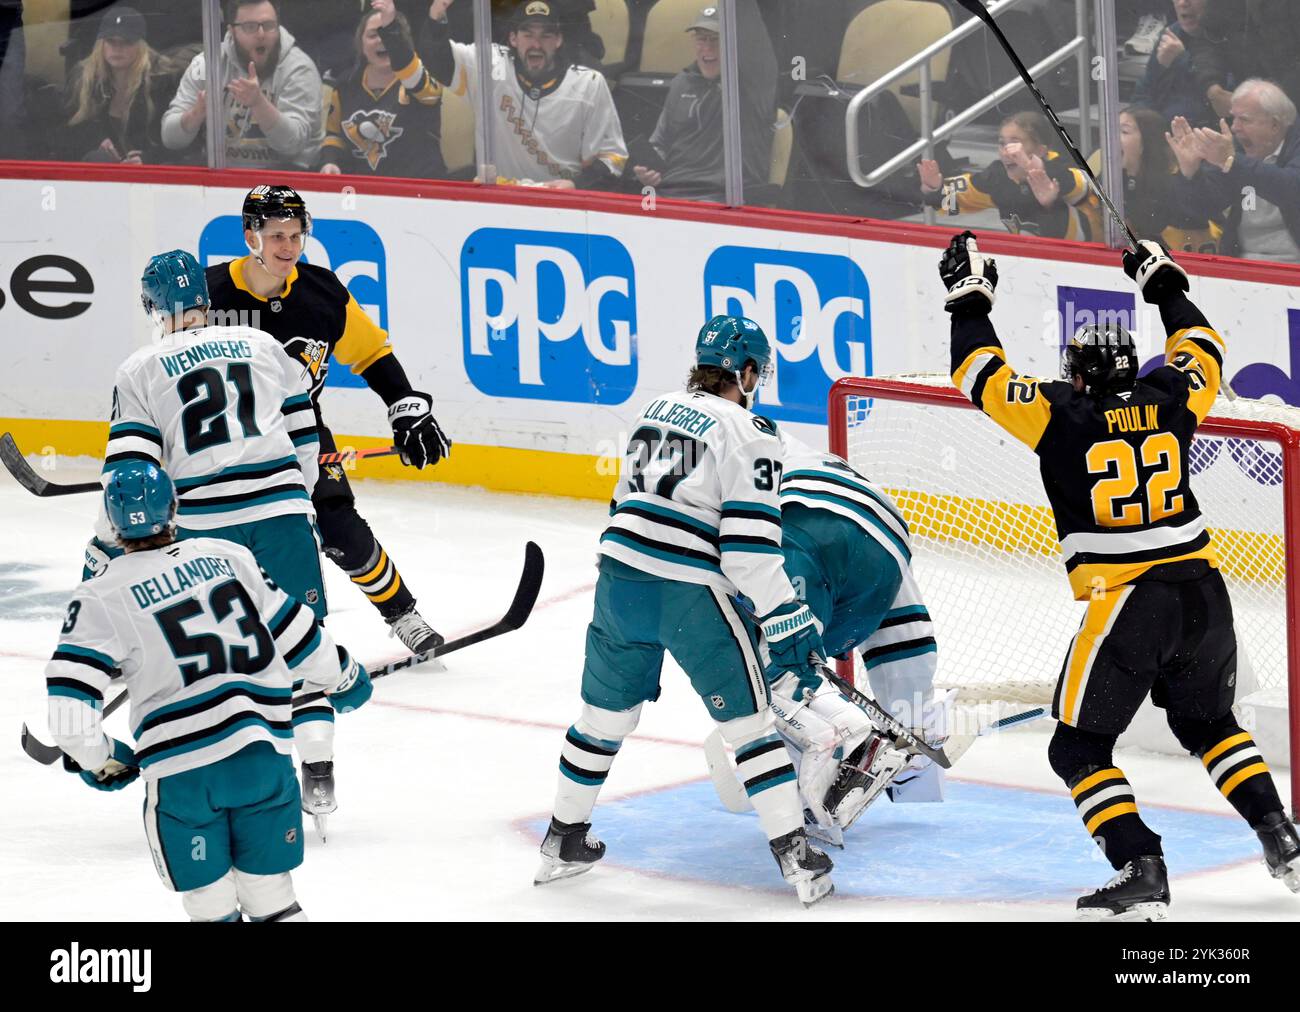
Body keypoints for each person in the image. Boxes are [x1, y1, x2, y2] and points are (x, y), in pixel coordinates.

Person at [938, 229, 1300, 919]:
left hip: (1129, 605)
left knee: (1076, 748)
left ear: (1077, 374)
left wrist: (970, 296)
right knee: (1212, 726)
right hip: (1206, 595)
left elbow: (977, 371)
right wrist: (1162, 284)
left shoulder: (1060, 415)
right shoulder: (1169, 398)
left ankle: (1141, 864)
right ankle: (1281, 837)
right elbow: (1206, 348)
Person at [536, 315, 834, 906]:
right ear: (746, 372)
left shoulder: (656, 407)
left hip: (618, 580)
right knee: (750, 728)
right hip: (688, 592)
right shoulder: (752, 430)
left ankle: (561, 839)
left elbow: (624, 503)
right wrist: (787, 613)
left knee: (602, 720)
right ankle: (799, 860)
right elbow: (748, 550)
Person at [86, 247, 363, 836]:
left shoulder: (139, 368)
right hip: (282, 514)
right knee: (300, 637)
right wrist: (304, 502)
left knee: (224, 655)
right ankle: (318, 770)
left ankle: (218, 777)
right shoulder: (266, 347)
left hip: (205, 531)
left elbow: (129, 475)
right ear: (206, 302)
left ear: (154, 305)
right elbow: (305, 434)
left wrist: (105, 549)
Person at [49, 461, 371, 921]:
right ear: (174, 507)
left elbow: (70, 718)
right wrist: (342, 676)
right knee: (273, 899)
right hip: (263, 758)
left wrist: (101, 760)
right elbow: (299, 635)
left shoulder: (100, 596)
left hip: (184, 776)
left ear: (112, 523)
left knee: (211, 905)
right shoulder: (225, 556)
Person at [205, 185, 451, 658]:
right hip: (225, 440)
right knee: (219, 543)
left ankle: (403, 615)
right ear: (249, 235)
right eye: (276, 235)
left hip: (301, 436)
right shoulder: (209, 293)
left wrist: (405, 406)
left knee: (340, 528)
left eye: (297, 235)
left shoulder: (323, 292)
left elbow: (372, 353)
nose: (288, 247)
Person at [763, 429, 948, 847]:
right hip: (886, 527)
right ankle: (917, 741)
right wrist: (912, 710)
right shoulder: (769, 433)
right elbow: (905, 634)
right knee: (896, 642)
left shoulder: (700, 444)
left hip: (805, 526)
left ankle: (828, 768)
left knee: (770, 663)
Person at [417, 0, 626, 189]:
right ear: (513, 38)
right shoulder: (490, 65)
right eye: (528, 34)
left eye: (546, 35)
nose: (536, 44)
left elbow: (613, 157)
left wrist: (574, 184)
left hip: (563, 205)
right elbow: (438, 59)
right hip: (500, 200)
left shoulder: (589, 84)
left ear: (558, 40)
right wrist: (437, 16)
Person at [631, 3, 777, 204]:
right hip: (671, 193)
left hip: (724, 199)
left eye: (716, 39)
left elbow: (754, 36)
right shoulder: (681, 82)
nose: (707, 47)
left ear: (734, 43)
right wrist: (646, 171)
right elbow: (660, 143)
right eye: (701, 39)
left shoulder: (751, 83)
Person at [161, 0, 324, 170]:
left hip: (287, 176)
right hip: (222, 174)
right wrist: (195, 114)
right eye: (250, 27)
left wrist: (259, 104)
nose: (261, 34)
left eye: (269, 25)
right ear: (232, 31)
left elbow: (292, 145)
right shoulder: (206, 64)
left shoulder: (299, 68)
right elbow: (170, 139)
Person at [1167, 78, 1300, 262]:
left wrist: (1233, 162)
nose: (1235, 127)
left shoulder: (1235, 158)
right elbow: (1203, 208)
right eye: (1233, 118)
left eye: (1244, 120)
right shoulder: (1235, 149)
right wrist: (1190, 172)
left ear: (1275, 125)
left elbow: (1292, 190)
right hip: (1242, 269)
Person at [918, 111, 1102, 242]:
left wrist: (1032, 169)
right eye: (1001, 143)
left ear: (1041, 150)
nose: (1007, 151)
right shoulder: (997, 177)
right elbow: (953, 200)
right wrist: (934, 188)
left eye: (1016, 143)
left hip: (1090, 263)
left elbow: (1083, 186)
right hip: (1033, 263)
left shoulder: (1062, 168)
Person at [321, 0, 446, 178]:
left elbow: (416, 80)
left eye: (387, 33)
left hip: (419, 191)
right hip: (362, 191)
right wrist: (330, 161)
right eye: (373, 35)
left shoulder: (422, 78)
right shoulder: (345, 86)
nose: (382, 39)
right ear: (361, 44)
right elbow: (333, 136)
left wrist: (392, 30)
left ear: (403, 40)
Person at [54, 6, 180, 164]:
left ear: (141, 46)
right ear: (101, 44)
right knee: (98, 159)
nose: (117, 48)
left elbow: (178, 144)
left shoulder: (161, 80)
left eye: (126, 42)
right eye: (110, 41)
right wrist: (96, 143)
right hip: (102, 177)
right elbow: (64, 134)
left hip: (151, 178)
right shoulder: (84, 78)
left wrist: (148, 160)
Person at [1112, 106, 1221, 254]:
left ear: (1146, 142)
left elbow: (1200, 209)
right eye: (1113, 129)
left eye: (1124, 131)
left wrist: (1190, 172)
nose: (1112, 137)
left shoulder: (1170, 187)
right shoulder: (1113, 178)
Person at [1132, 0, 1235, 128]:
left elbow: (1225, 104)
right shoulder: (1170, 35)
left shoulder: (1234, 37)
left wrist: (1182, 62)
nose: (1182, 3)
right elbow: (1144, 93)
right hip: (1166, 136)